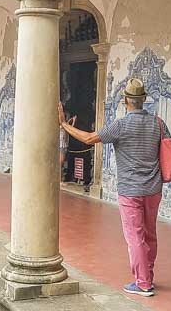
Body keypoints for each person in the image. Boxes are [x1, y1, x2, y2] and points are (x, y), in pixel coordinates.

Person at [59, 78, 162, 297]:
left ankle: (143, 283)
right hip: (153, 188)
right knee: (150, 233)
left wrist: (64, 125)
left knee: (135, 236)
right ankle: (148, 275)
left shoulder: (121, 125)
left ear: (126, 101)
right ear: (143, 100)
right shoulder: (158, 123)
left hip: (130, 190)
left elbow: (88, 138)